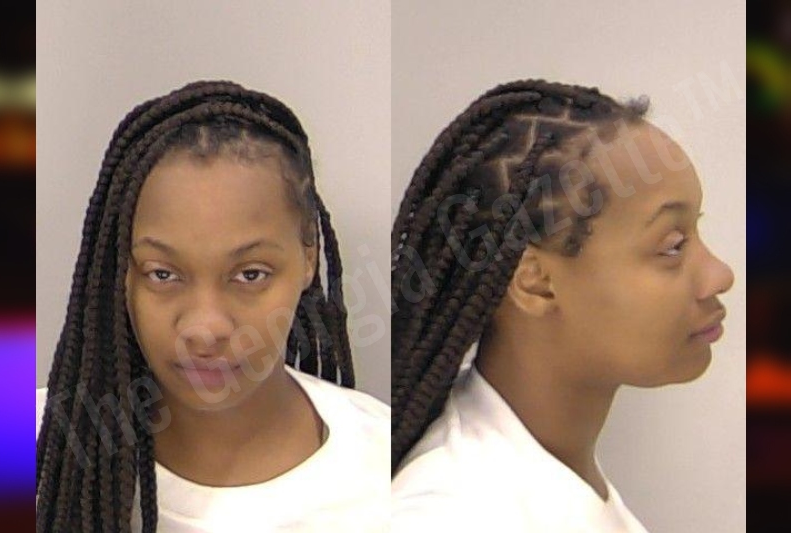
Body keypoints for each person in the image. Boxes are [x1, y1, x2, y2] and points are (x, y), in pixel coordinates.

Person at [36, 80, 389, 532]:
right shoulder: (26, 447)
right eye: (163, 274)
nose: (205, 329)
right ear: (120, 271)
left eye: (250, 275)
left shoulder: (388, 476)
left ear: (308, 257)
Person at [391, 79, 734, 531]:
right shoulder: (450, 515)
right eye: (672, 245)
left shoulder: (544, 477)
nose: (720, 275)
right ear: (535, 283)